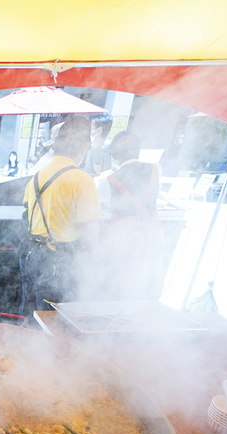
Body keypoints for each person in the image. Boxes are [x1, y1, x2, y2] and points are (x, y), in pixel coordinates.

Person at [19, 116, 100, 314]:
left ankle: (24, 342)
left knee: (31, 310)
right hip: (57, 261)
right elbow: (89, 229)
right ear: (84, 148)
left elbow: (27, 214)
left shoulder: (37, 176)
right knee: (54, 316)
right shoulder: (82, 180)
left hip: (31, 254)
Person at [96, 131, 164, 300]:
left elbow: (97, 200)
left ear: (114, 155)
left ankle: (118, 309)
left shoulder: (108, 180)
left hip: (122, 234)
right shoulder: (156, 168)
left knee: (119, 275)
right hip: (151, 230)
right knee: (146, 271)